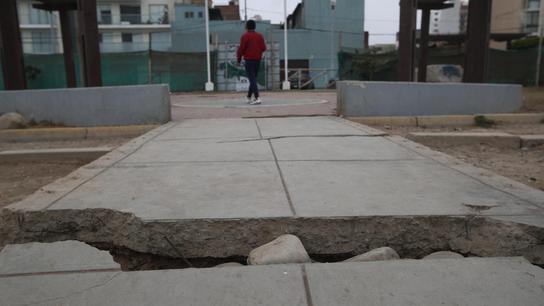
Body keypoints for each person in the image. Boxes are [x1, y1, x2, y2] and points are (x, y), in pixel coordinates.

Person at [237, 20, 267, 105]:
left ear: (247, 27)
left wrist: (239, 60)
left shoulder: (245, 36)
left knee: (252, 78)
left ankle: (257, 98)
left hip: (249, 60)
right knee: (253, 78)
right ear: (255, 26)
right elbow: (264, 48)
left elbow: (241, 49)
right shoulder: (260, 36)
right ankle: (249, 97)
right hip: (258, 60)